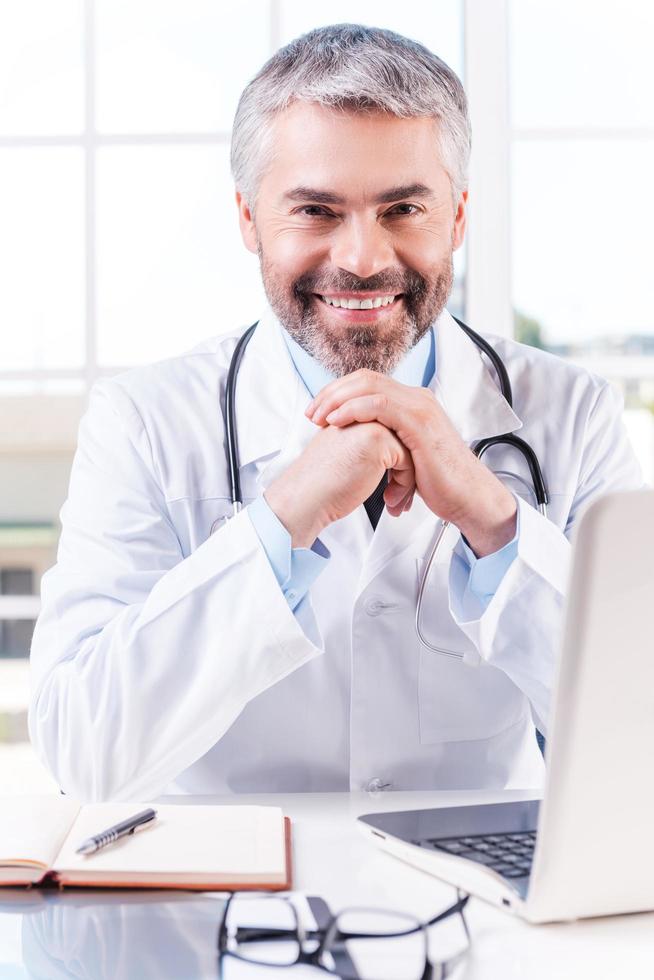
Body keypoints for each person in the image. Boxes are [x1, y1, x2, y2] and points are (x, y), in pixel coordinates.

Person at [29, 24, 643, 802]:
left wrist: (496, 524)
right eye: (316, 210)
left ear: (455, 218)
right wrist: (282, 518)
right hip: (224, 910)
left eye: (403, 210)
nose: (361, 257)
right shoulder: (143, 424)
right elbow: (83, 750)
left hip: (492, 913)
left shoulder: (573, 416)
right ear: (250, 219)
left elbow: (638, 730)